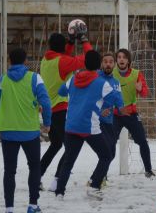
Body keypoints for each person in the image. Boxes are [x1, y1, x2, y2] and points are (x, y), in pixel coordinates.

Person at [54, 50, 125, 201]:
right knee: (106, 156)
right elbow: (118, 101)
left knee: (68, 161)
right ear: (99, 64)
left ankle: (59, 193)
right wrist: (105, 106)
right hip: (89, 128)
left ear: (84, 63)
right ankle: (94, 187)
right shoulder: (102, 83)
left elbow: (61, 91)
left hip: (71, 125)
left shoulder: (73, 79)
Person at [0, 48, 52, 213]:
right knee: (34, 167)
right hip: (29, 131)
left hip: (8, 131)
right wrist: (47, 122)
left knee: (9, 170)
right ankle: (32, 205)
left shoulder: (1, 80)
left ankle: (9, 208)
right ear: (26, 61)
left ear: (9, 61)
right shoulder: (34, 78)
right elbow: (45, 102)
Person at [39, 21, 92, 191]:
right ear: (62, 47)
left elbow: (65, 57)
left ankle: (37, 175)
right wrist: (84, 40)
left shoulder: (46, 59)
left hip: (48, 108)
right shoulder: (63, 62)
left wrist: (69, 41)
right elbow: (89, 59)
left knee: (55, 144)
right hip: (59, 109)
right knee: (70, 147)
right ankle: (57, 180)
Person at [112, 48, 154, 178]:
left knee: (142, 141)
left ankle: (148, 170)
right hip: (115, 114)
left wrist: (140, 90)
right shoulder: (111, 73)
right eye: (119, 57)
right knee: (109, 143)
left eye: (124, 57)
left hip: (131, 113)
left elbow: (146, 93)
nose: (121, 59)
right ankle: (102, 174)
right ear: (116, 60)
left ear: (128, 60)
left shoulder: (136, 74)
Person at [87, 52, 123, 187]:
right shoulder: (95, 78)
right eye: (105, 61)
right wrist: (99, 110)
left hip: (109, 121)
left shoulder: (116, 82)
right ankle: (97, 180)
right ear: (102, 64)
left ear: (114, 64)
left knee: (111, 153)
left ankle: (96, 177)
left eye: (110, 62)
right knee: (106, 153)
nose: (108, 64)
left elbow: (119, 100)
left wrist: (121, 109)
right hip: (97, 121)